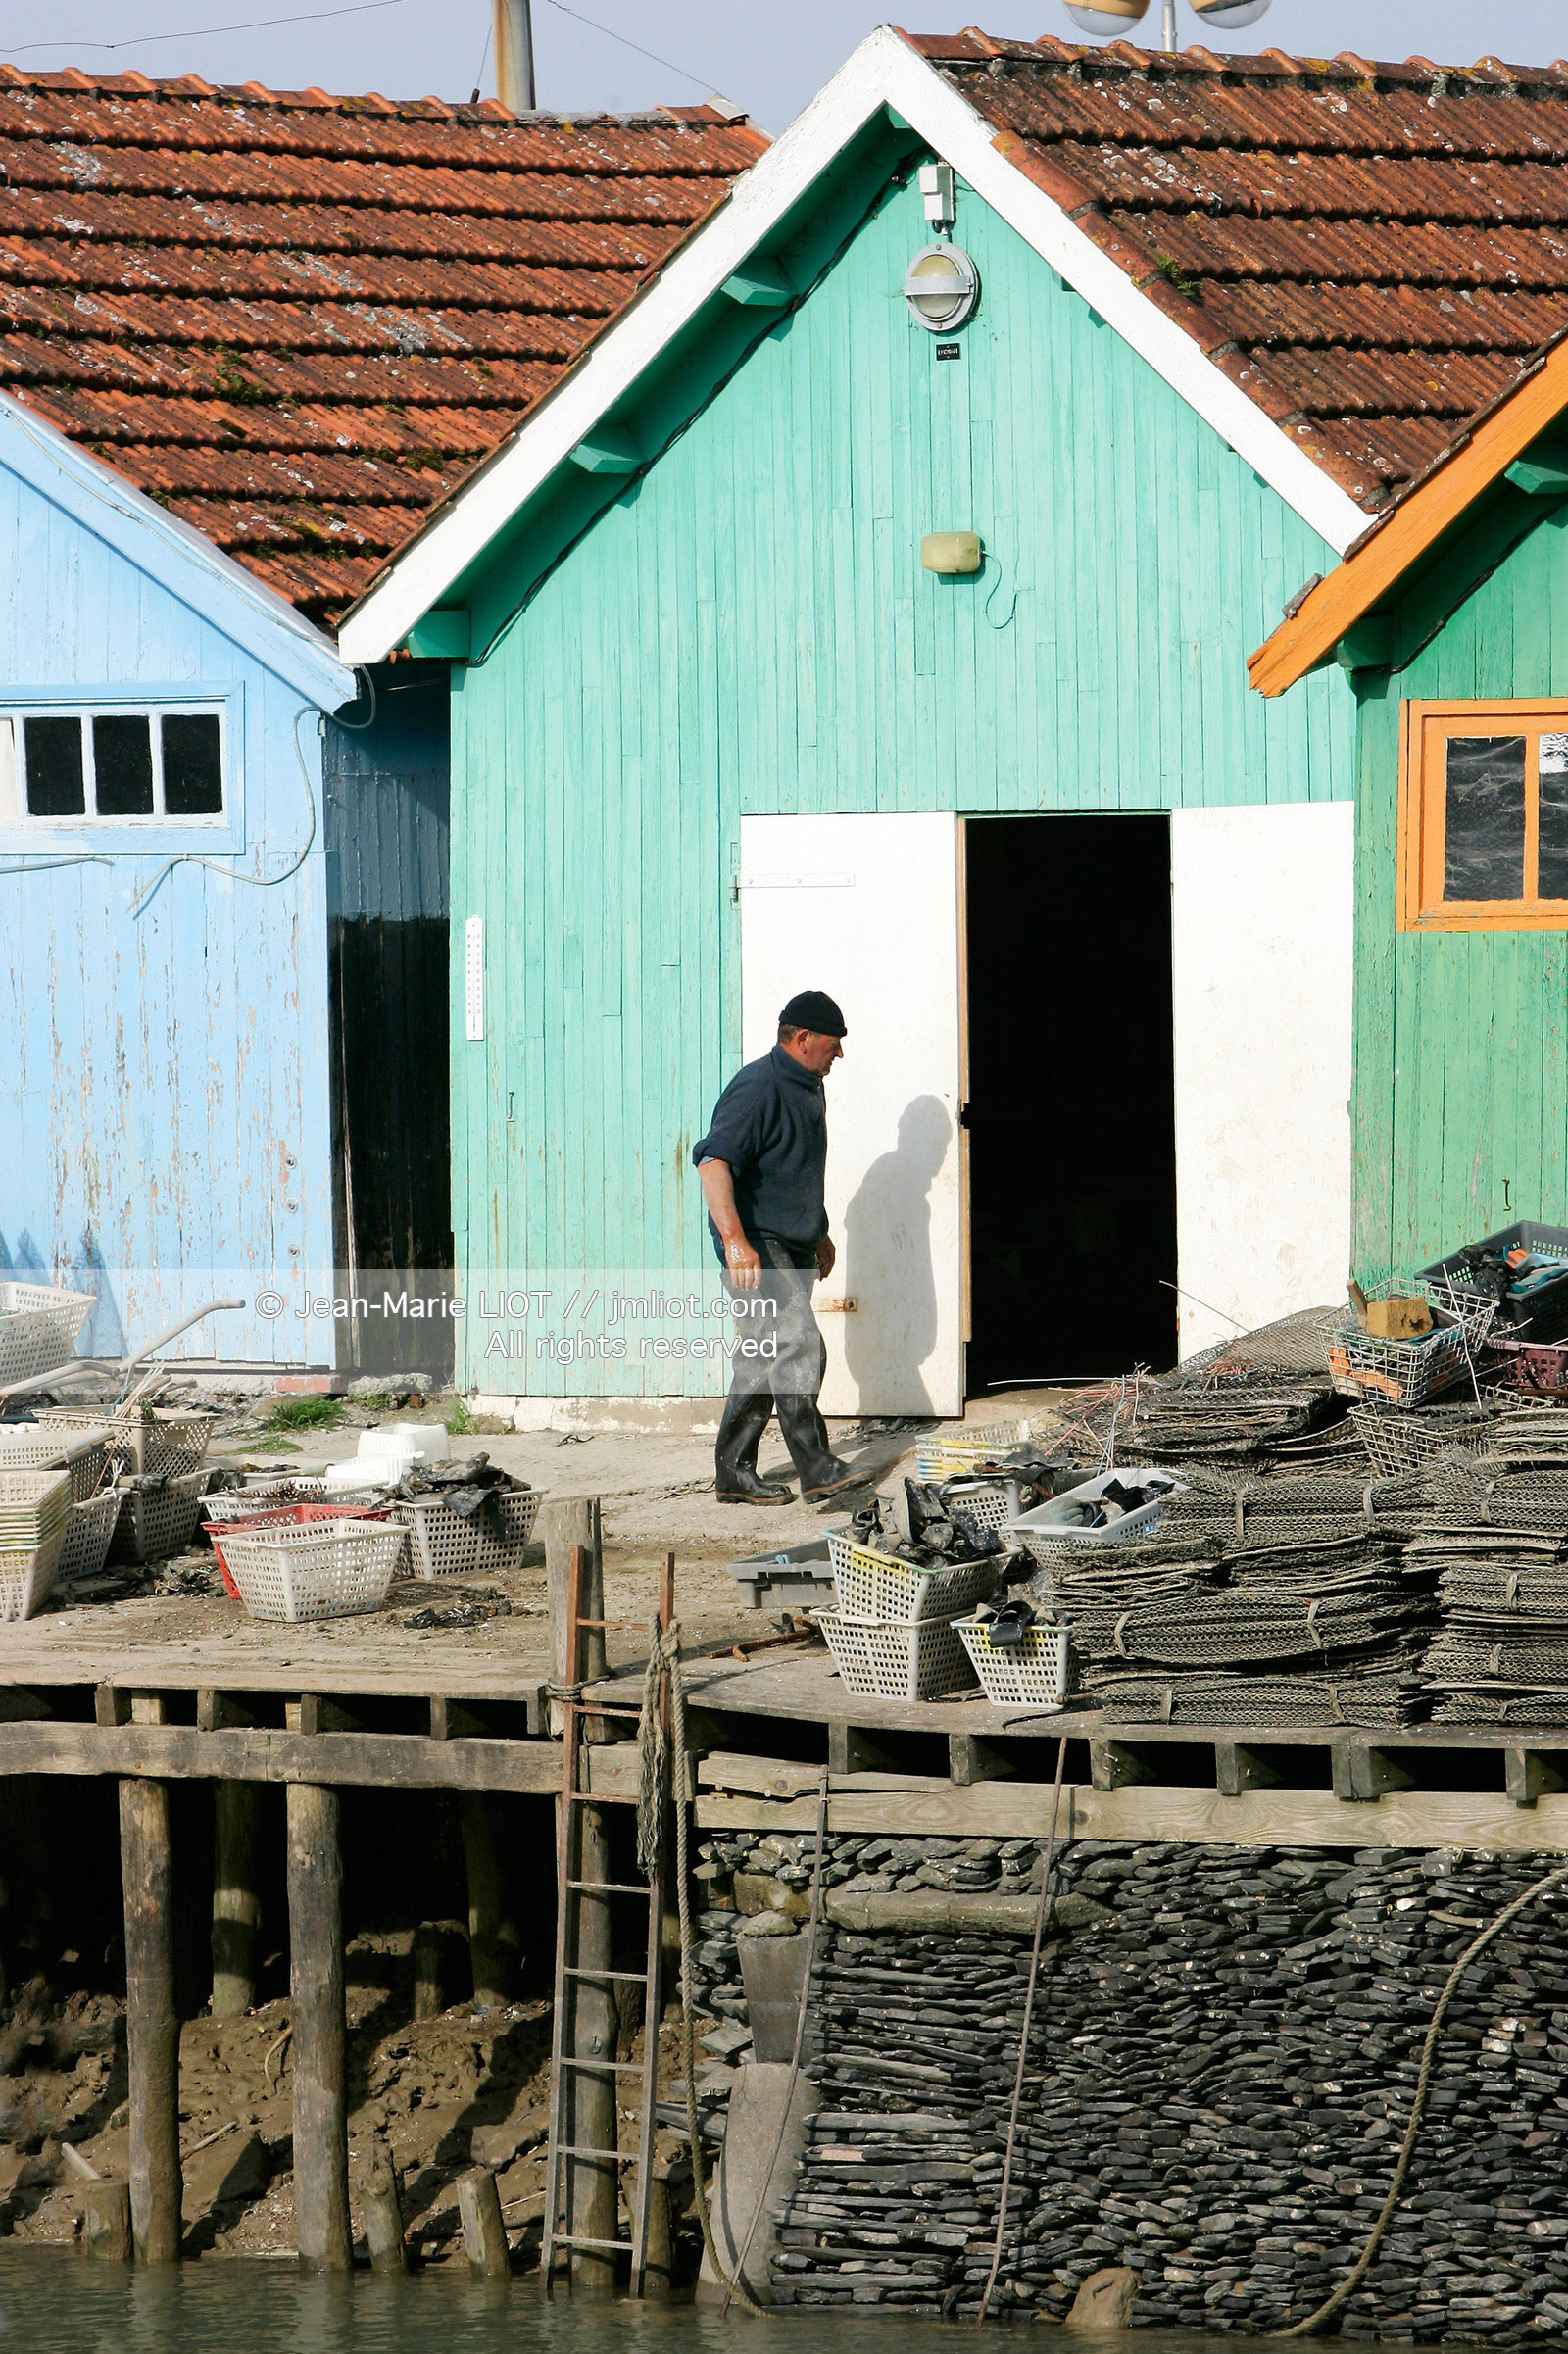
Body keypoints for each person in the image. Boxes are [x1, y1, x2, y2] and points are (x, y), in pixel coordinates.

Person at [693, 990, 859, 1504]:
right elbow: (713, 1162)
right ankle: (816, 1467)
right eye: (833, 1045)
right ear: (802, 1038)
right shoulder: (758, 1086)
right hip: (758, 1244)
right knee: (800, 1342)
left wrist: (820, 1230)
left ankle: (733, 1473)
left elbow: (792, 1167)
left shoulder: (808, 1084)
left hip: (790, 1241)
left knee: (762, 1354)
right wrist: (736, 1242)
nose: (839, 1055)